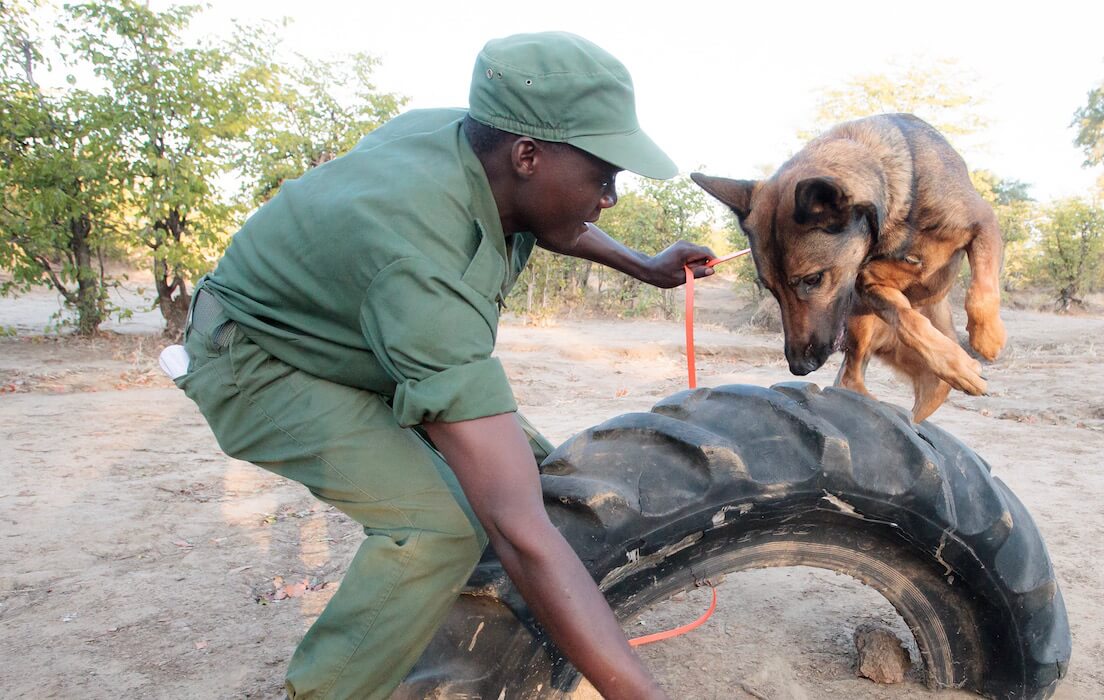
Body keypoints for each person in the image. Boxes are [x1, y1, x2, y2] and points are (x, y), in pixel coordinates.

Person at [173, 31, 713, 699]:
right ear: (526, 154)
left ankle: (477, 634)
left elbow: (550, 216)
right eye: (603, 176)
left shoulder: (471, 143)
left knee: (536, 476)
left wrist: (643, 264)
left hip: (356, 331)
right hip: (259, 358)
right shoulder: (423, 263)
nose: (611, 197)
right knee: (438, 526)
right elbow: (519, 534)